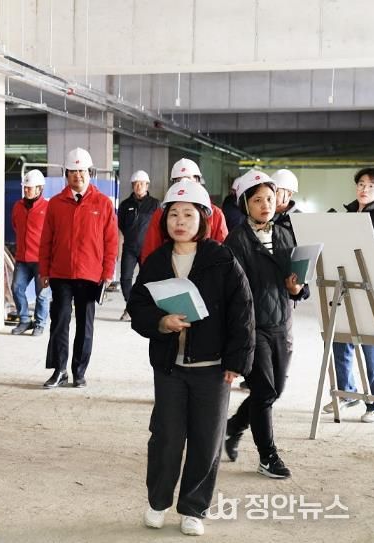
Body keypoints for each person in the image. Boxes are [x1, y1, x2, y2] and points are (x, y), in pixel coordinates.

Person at [127, 180, 255, 537]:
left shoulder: (221, 259)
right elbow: (137, 305)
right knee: (166, 437)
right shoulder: (156, 261)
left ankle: (194, 508)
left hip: (212, 369)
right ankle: (157, 502)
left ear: (203, 219)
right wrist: (161, 322)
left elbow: (243, 312)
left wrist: (236, 362)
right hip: (170, 367)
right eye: (173, 215)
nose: (179, 221)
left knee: (206, 439)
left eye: (188, 214)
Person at [223, 169, 309, 479]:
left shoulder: (285, 235)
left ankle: (233, 426)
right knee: (264, 390)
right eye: (258, 200)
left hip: (282, 324)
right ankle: (267, 456)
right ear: (245, 203)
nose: (265, 205)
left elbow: (300, 284)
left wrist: (297, 289)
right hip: (252, 327)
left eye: (270, 199)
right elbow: (230, 292)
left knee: (275, 390)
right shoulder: (236, 240)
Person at [39, 147, 118, 388]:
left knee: (85, 325)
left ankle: (79, 371)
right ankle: (60, 370)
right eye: (73, 171)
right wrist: (44, 270)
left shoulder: (103, 203)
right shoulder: (55, 204)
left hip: (90, 274)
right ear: (66, 174)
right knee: (59, 322)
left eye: (82, 171)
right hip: (61, 273)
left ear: (89, 172)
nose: (78, 175)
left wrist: (107, 272)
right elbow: (46, 239)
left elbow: (111, 241)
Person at [323, 168, 374, 423]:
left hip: (372, 287)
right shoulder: (346, 214)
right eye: (361, 184)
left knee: (370, 345)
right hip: (345, 283)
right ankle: (347, 393)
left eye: (371, 186)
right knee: (340, 337)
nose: (364, 189)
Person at [139, 158, 229, 262]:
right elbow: (150, 249)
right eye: (178, 180)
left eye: (188, 179)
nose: (183, 183)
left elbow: (223, 253)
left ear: (198, 181)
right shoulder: (161, 213)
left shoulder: (215, 213)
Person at [10, 169, 51, 336]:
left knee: (42, 294)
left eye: (29, 187)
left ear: (39, 188)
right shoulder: (17, 207)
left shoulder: (48, 208)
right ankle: (25, 320)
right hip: (22, 258)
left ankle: (40, 323)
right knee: (16, 288)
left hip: (41, 260)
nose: (26, 190)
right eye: (25, 187)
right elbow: (15, 226)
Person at [117, 170, 160, 321]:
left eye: (142, 184)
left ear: (147, 185)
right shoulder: (125, 205)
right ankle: (131, 307)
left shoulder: (155, 204)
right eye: (136, 184)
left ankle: (146, 307)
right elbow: (121, 225)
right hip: (130, 248)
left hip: (147, 248)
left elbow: (159, 225)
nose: (139, 186)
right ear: (132, 186)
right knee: (125, 278)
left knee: (147, 279)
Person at [271, 169, 301, 242]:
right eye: (270, 190)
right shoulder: (265, 215)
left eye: (276, 191)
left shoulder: (300, 219)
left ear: (289, 194)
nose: (271, 195)